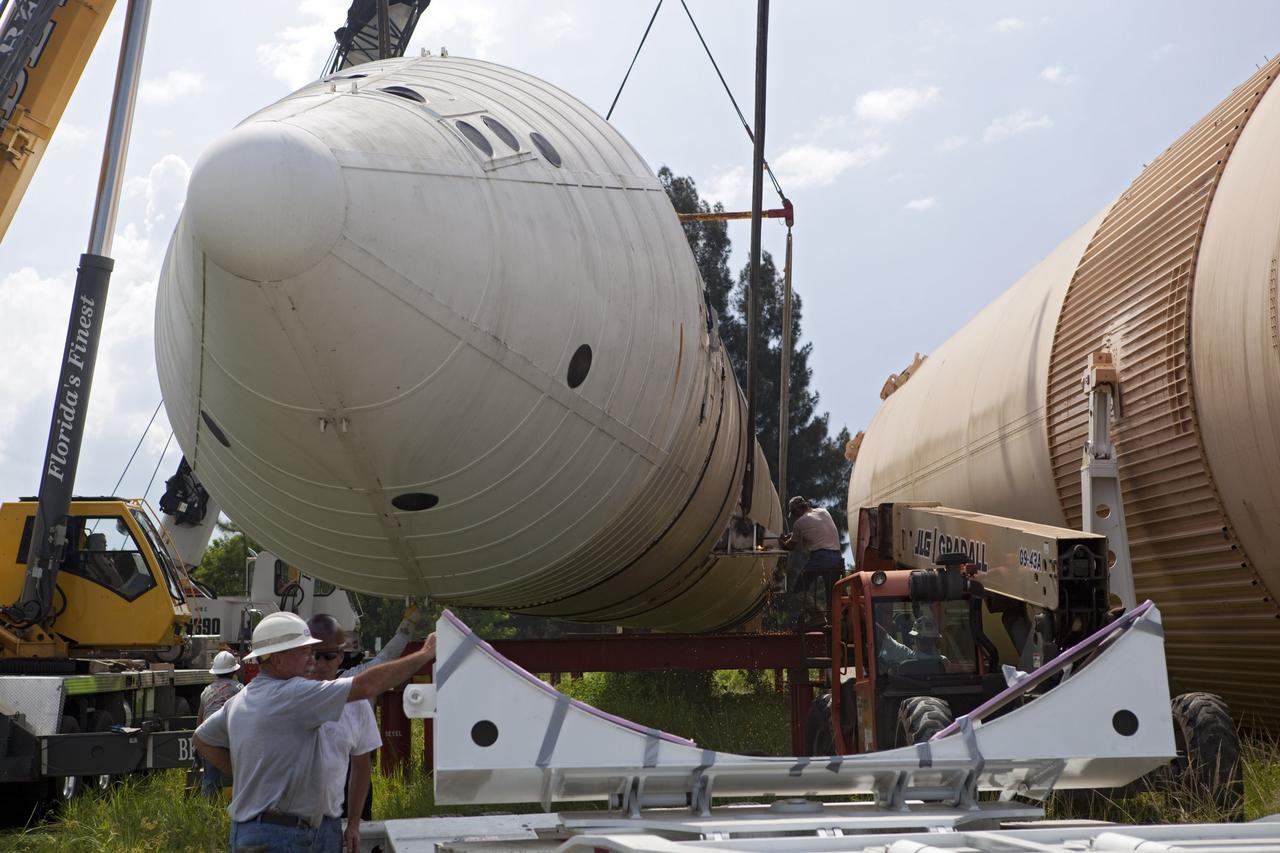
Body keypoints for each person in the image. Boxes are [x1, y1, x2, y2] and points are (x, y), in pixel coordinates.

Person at [194, 610, 437, 853]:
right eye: (303, 652)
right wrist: (424, 654)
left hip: (252, 831)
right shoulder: (293, 693)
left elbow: (201, 739)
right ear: (276, 659)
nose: (311, 660)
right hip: (283, 835)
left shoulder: (241, 699)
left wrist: (249, 775)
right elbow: (367, 685)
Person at [305, 613, 381, 853]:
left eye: (328, 656)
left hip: (328, 822)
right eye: (314, 655)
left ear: (340, 657)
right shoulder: (285, 694)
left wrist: (354, 823)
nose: (320, 663)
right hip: (283, 823)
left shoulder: (356, 704)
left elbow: (361, 766)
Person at [779, 497, 844, 607]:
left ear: (798, 510)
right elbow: (815, 529)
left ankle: (817, 616)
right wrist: (792, 535)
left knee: (799, 590)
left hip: (820, 558)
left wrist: (781, 542)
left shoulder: (799, 523)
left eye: (794, 513)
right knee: (833, 594)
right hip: (837, 557)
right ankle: (835, 619)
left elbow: (790, 546)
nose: (795, 516)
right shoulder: (823, 511)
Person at [195, 650, 243, 798]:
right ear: (234, 671)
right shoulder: (239, 688)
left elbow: (200, 718)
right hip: (231, 735)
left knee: (210, 777)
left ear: (215, 673)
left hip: (210, 737)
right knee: (240, 774)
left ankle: (208, 809)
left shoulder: (206, 691)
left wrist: (198, 744)